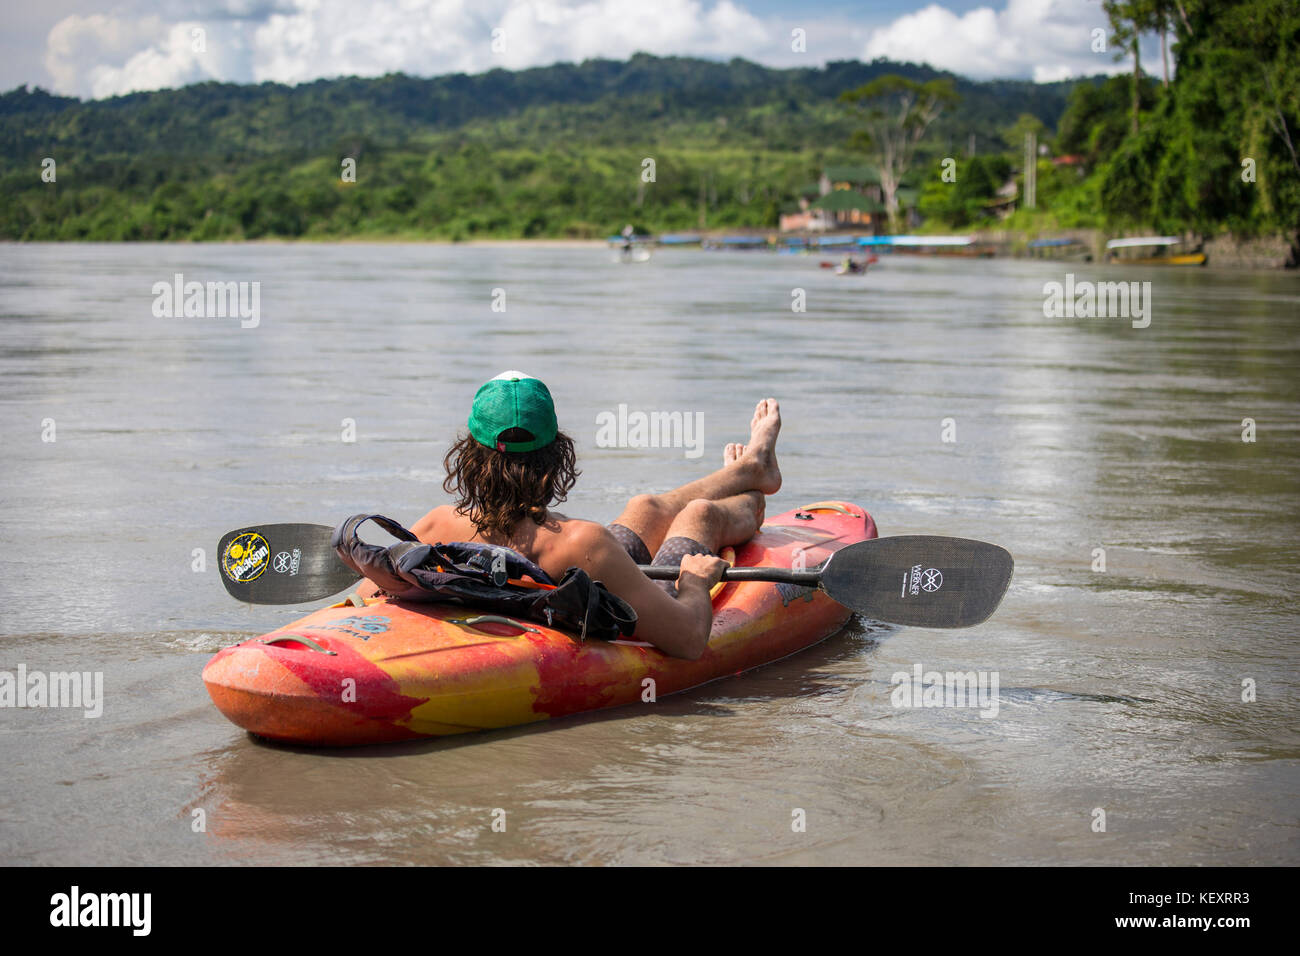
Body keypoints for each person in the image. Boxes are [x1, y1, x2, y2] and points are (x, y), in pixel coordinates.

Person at [355, 372, 782, 659]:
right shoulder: (584, 543)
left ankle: (747, 471)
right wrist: (693, 582)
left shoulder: (434, 526)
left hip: (567, 585)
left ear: (469, 455)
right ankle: (752, 495)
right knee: (701, 515)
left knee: (644, 508)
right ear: (556, 456)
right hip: (589, 593)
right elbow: (689, 640)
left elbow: (363, 591)